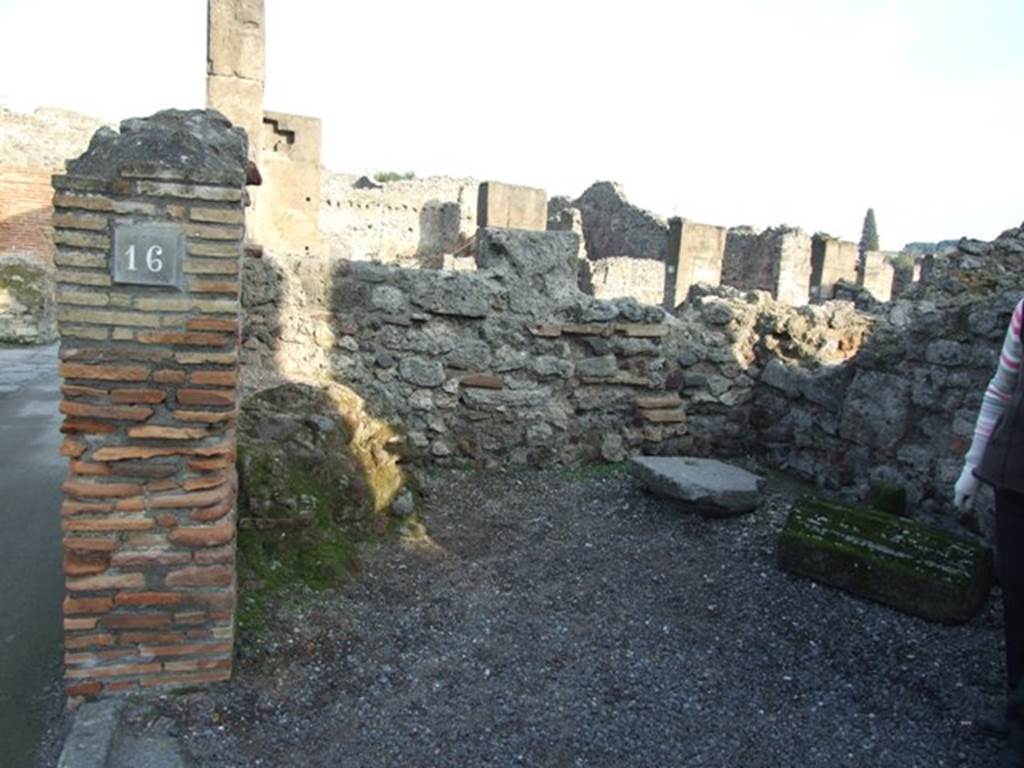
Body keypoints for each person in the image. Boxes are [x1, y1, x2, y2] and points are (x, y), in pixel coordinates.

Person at [955, 296, 1024, 765]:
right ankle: (1018, 708)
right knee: (1017, 599)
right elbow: (1001, 389)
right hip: (1016, 475)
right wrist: (972, 466)